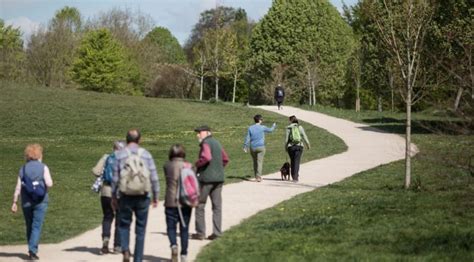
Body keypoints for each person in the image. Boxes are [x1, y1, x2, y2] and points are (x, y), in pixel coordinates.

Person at [112, 129, 159, 262]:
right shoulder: (146, 154)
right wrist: (155, 196)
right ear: (140, 140)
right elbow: (154, 177)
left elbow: (115, 179)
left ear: (126, 140)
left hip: (125, 194)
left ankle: (125, 249)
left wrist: (114, 197)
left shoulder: (120, 155)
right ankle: (137, 259)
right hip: (143, 195)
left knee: (124, 225)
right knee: (140, 229)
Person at [11, 144, 53, 260]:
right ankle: (32, 251)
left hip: (26, 201)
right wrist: (43, 187)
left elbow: (18, 187)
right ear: (39, 155)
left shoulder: (23, 169)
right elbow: (49, 183)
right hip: (41, 200)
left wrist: (15, 202)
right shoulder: (43, 167)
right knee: (36, 226)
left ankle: (31, 249)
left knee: (29, 225)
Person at [191, 125, 229, 241]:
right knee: (217, 207)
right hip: (219, 179)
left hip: (206, 179)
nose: (198, 134)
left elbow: (206, 157)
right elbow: (225, 159)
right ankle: (217, 233)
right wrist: (218, 169)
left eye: (200, 132)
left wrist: (197, 164)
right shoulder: (217, 143)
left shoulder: (205, 143)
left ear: (207, 132)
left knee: (200, 205)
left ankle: (200, 233)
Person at [92, 141, 125, 255]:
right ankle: (117, 246)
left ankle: (105, 241)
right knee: (120, 219)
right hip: (120, 193)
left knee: (107, 217)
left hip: (106, 191)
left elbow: (95, 171)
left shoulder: (106, 157)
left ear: (113, 148)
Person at [163, 144, 193, 262]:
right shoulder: (189, 166)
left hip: (170, 201)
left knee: (171, 227)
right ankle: (184, 254)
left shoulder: (167, 165)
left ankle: (174, 245)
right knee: (184, 228)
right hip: (185, 201)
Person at [243, 114, 276, 182]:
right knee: (259, 162)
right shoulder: (262, 127)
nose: (262, 120)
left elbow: (247, 138)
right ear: (260, 120)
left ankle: (256, 176)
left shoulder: (250, 128)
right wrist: (274, 125)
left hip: (253, 147)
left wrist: (245, 146)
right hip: (261, 147)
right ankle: (258, 177)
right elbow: (270, 130)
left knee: (255, 162)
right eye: (262, 119)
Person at [285, 115, 311, 182]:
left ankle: (293, 176)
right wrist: (308, 145)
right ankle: (295, 177)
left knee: (292, 160)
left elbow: (286, 139)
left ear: (290, 121)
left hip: (291, 147)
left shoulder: (288, 128)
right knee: (297, 161)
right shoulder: (300, 127)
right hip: (299, 146)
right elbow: (304, 136)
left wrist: (286, 147)